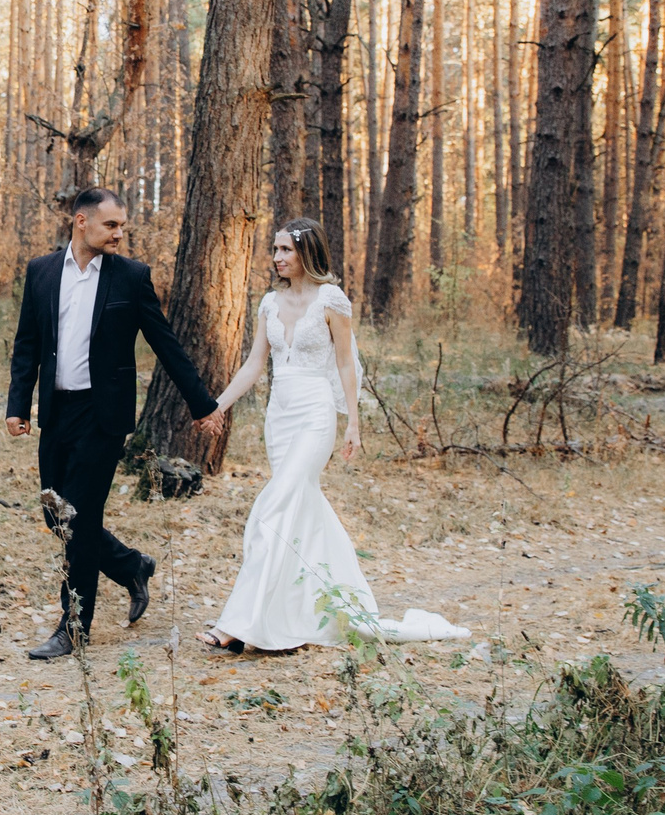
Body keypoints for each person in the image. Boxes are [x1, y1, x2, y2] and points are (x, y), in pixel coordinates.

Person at [199, 219, 468, 652]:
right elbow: (254, 365)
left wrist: (353, 424)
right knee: (299, 511)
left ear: (307, 252)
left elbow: (345, 363)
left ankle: (236, 623)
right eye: (275, 249)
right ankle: (292, 616)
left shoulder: (331, 300)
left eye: (286, 249)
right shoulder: (269, 303)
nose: (277, 257)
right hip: (279, 417)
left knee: (272, 508)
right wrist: (217, 405)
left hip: (315, 414)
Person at [5, 187, 223, 660]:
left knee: (79, 519)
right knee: (55, 514)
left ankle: (73, 628)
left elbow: (165, 344)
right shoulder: (42, 271)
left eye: (122, 226)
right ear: (81, 222)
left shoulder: (130, 277)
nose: (119, 234)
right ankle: (131, 566)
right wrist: (17, 405)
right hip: (56, 411)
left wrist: (202, 404)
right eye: (111, 225)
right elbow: (27, 343)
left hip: (103, 415)